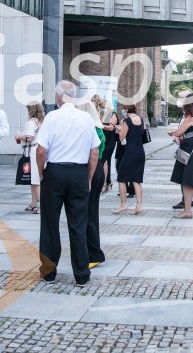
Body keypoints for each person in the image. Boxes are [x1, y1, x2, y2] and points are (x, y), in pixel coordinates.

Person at [35, 81, 100, 287]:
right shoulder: (86, 118)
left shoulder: (51, 117)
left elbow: (41, 150)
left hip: (55, 171)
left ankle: (49, 272)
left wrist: (41, 173)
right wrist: (88, 178)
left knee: (50, 224)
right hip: (78, 173)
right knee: (78, 224)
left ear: (57, 97)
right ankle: (81, 274)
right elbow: (94, 152)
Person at [77, 100, 106, 268]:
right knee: (91, 213)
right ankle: (93, 251)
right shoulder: (98, 127)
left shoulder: (90, 128)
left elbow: (92, 153)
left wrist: (87, 177)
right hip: (98, 169)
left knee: (86, 214)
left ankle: (93, 253)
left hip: (91, 170)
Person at [111, 105, 146, 215]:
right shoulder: (140, 119)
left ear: (126, 110)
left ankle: (123, 205)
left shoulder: (127, 120)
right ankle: (139, 205)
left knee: (121, 177)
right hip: (140, 151)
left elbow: (121, 137)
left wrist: (119, 129)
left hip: (130, 151)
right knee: (136, 179)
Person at [19, 101, 45, 214]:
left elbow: (29, 138)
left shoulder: (31, 122)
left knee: (35, 180)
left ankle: (42, 205)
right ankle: (33, 203)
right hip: (40, 149)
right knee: (34, 180)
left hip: (33, 150)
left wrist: (19, 136)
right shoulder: (42, 121)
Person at [99, 101, 118, 193]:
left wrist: (101, 125)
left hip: (110, 140)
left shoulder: (112, 114)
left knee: (105, 161)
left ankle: (105, 183)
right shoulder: (102, 114)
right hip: (103, 140)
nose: (101, 108)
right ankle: (108, 182)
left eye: (103, 106)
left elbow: (111, 127)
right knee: (106, 161)